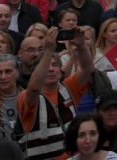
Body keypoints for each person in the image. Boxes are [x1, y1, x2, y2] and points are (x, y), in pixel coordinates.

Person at [16, 27, 92, 160]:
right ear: (36, 72)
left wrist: (81, 46)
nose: (50, 69)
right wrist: (48, 50)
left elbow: (87, 68)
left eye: (55, 65)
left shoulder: (69, 88)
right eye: (46, 65)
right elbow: (33, 89)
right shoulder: (26, 96)